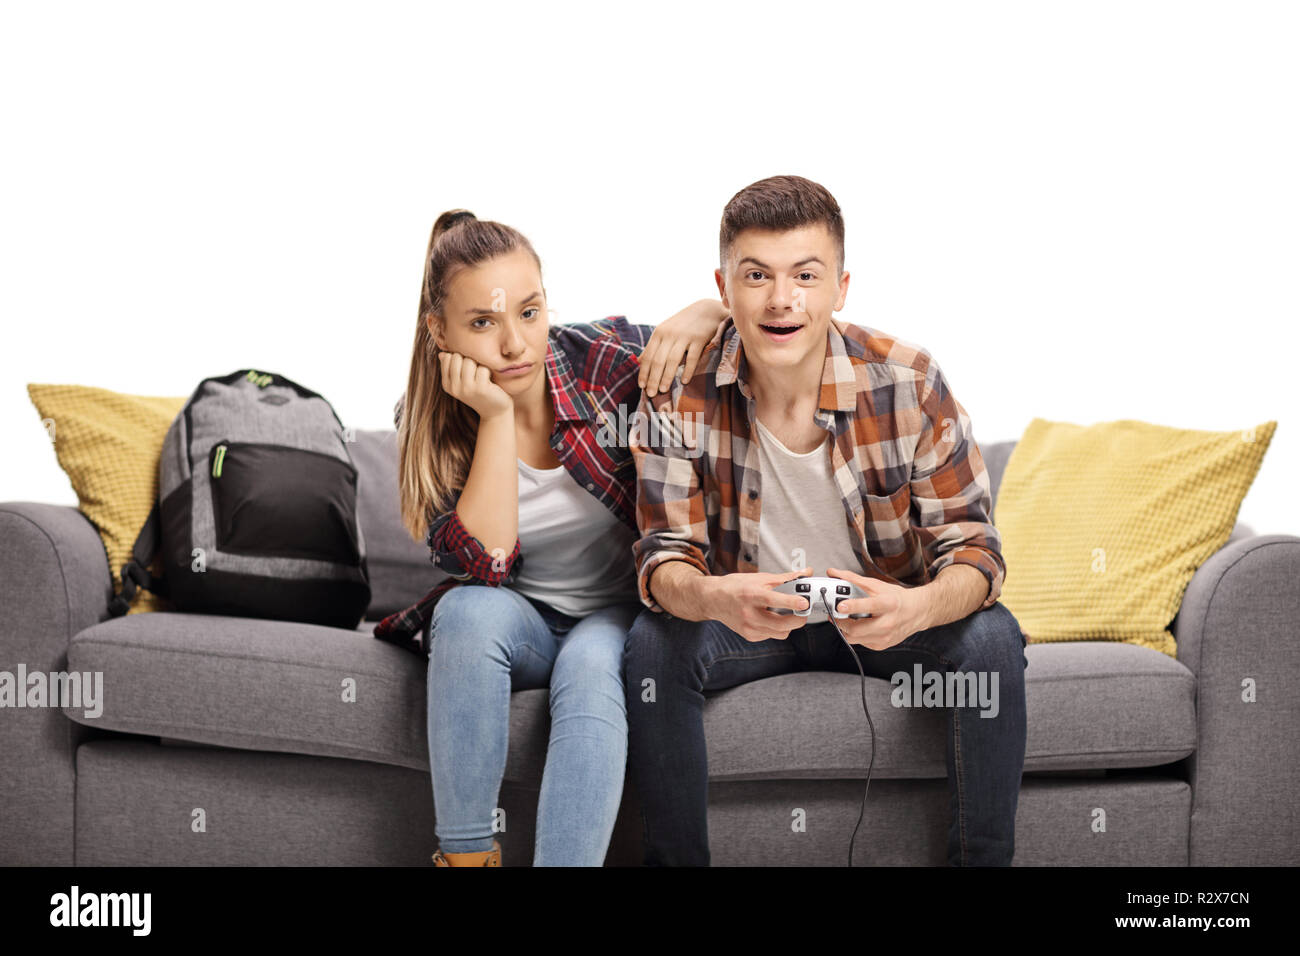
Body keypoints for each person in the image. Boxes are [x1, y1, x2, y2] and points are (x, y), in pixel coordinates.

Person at [624, 175, 1029, 866]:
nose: (783, 300)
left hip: (882, 625)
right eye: (756, 275)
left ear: (840, 287)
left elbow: (975, 551)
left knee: (991, 639)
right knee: (653, 646)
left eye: (805, 276)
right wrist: (716, 595)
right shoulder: (677, 391)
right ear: (722, 289)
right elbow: (663, 557)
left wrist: (917, 607)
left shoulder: (909, 381)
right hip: (748, 623)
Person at [375, 209, 729, 867]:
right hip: (524, 619)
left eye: (529, 313)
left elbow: (752, 341)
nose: (515, 345)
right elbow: (488, 561)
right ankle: (467, 857)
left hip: (623, 614)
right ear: (439, 331)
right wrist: (496, 417)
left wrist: (707, 308)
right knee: (463, 612)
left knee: (592, 667)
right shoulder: (429, 423)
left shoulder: (609, 361)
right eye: (483, 323)